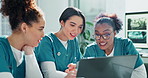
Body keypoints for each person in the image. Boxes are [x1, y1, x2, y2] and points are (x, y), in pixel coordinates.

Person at [83, 13, 147, 78]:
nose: (101, 39)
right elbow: (85, 75)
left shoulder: (126, 45)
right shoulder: (90, 50)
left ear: (114, 33)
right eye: (97, 34)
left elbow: (141, 74)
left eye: (106, 34)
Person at [35, 7, 85, 78]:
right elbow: (49, 74)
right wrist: (70, 75)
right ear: (62, 22)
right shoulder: (47, 41)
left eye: (80, 27)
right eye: (72, 25)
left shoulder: (74, 41)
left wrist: (75, 69)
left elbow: (80, 65)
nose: (76, 31)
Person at [0, 0, 45, 78]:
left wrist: (29, 54)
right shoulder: (2, 47)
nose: (43, 34)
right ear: (24, 28)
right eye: (40, 29)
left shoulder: (29, 51)